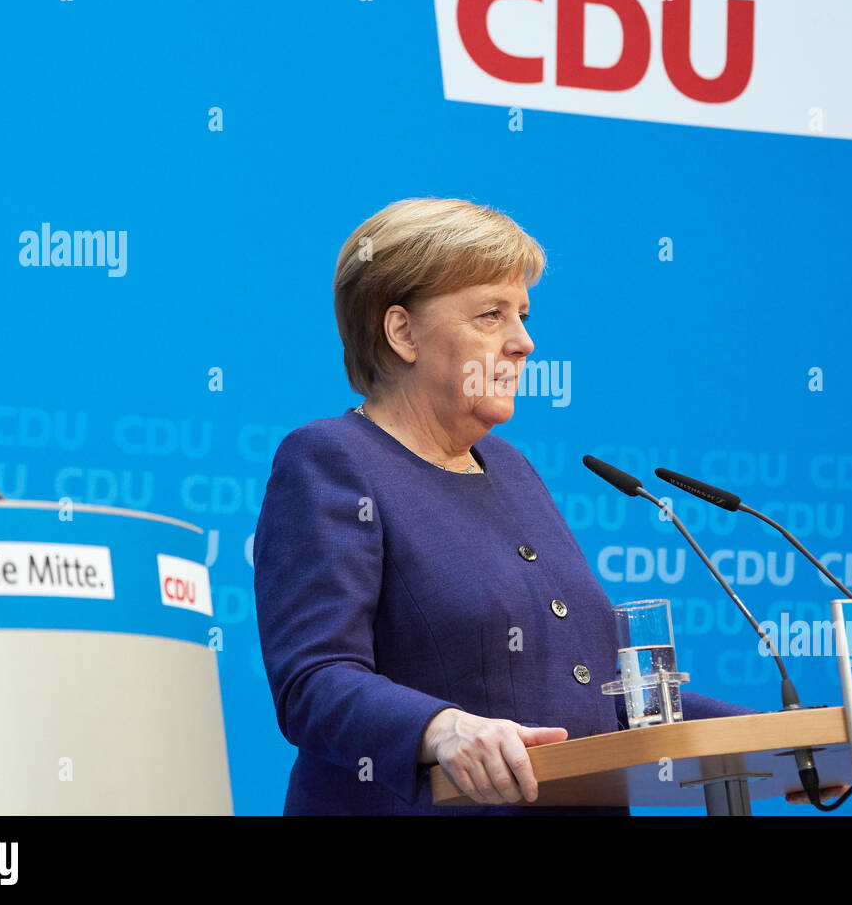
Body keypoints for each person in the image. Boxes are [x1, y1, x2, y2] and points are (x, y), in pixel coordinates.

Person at [253, 197, 766, 815]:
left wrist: (780, 737)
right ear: (402, 332)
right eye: (491, 314)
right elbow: (314, 680)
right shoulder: (332, 460)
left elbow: (606, 694)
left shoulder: (513, 469)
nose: (524, 342)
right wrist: (441, 729)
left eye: (522, 314)